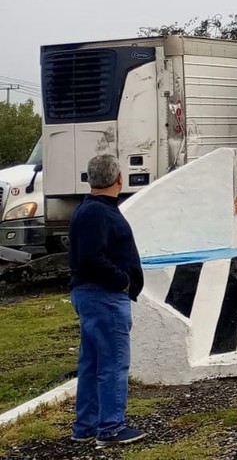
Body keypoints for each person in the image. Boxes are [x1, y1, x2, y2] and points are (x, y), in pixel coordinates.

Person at [68, 154, 147, 446]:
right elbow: (92, 258)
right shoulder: (99, 213)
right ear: (119, 179)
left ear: (90, 180)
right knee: (114, 362)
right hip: (104, 296)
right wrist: (123, 281)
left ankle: (85, 425)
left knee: (91, 361)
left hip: (90, 294)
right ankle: (111, 426)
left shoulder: (87, 209)